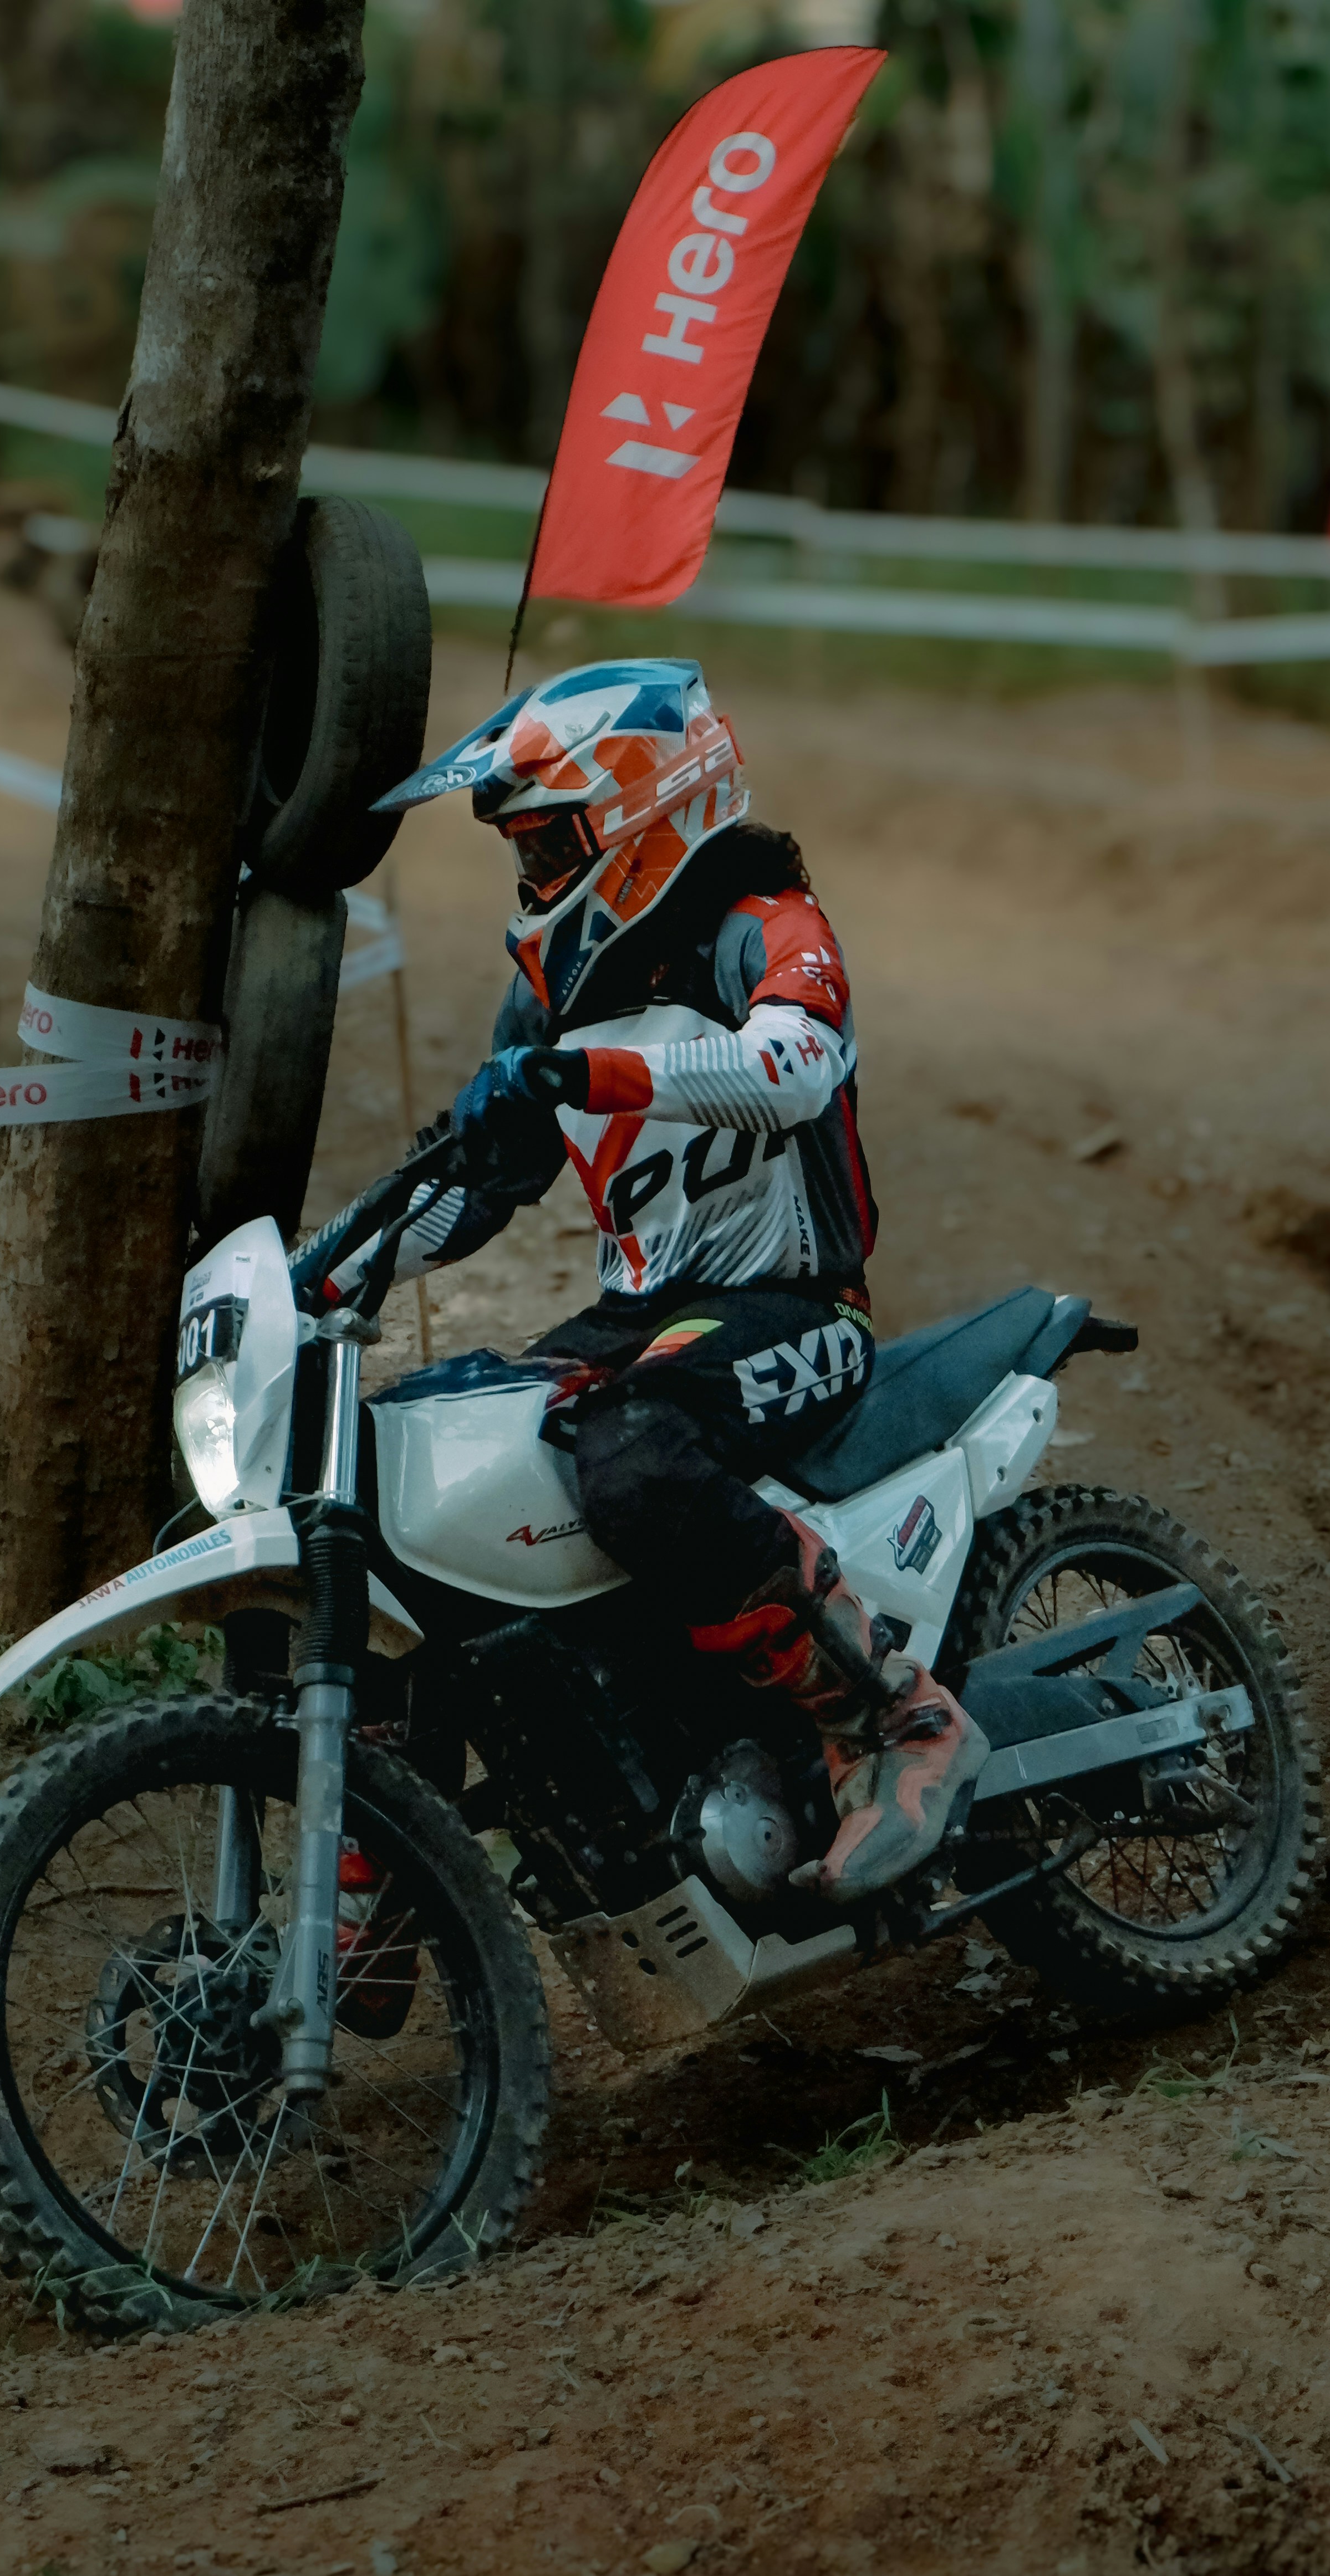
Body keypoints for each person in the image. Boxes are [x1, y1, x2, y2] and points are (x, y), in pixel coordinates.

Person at [296, 658, 986, 1901]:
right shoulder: (547, 1001)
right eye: (521, 849)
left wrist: (585, 1076)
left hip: (797, 1304)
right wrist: (324, 1278)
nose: (532, 871)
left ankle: (895, 1719)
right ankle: (389, 1883)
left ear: (644, 811)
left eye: (549, 840)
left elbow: (792, 1068)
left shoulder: (765, 926)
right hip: (639, 1316)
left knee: (633, 1449)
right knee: (406, 1466)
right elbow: (480, 1185)